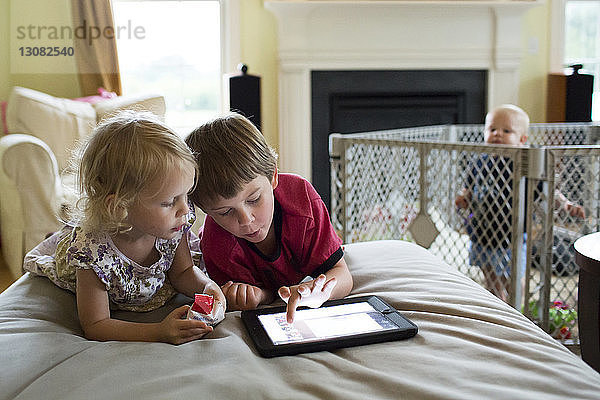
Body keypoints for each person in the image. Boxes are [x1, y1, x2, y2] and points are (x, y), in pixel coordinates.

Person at [23, 111, 225, 344]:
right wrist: (158, 332)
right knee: (66, 249)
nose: (186, 210)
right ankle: (60, 239)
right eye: (170, 202)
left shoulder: (172, 226)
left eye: (186, 195)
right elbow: (96, 325)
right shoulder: (93, 253)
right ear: (121, 205)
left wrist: (208, 287)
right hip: (92, 256)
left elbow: (182, 272)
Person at [185, 113, 353, 323]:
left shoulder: (301, 200)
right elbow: (262, 294)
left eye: (254, 199)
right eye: (225, 212)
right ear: (205, 210)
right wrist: (256, 296)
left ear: (273, 176)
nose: (246, 220)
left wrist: (321, 291)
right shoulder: (216, 242)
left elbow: (342, 274)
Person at [455, 104, 585, 301]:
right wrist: (463, 198)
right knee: (489, 278)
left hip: (510, 237)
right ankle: (498, 305)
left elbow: (548, 191)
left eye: (506, 130)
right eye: (492, 129)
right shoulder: (479, 162)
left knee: (513, 279)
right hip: (480, 233)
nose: (497, 134)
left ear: (522, 140)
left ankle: (517, 309)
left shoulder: (524, 164)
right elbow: (469, 188)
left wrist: (566, 204)